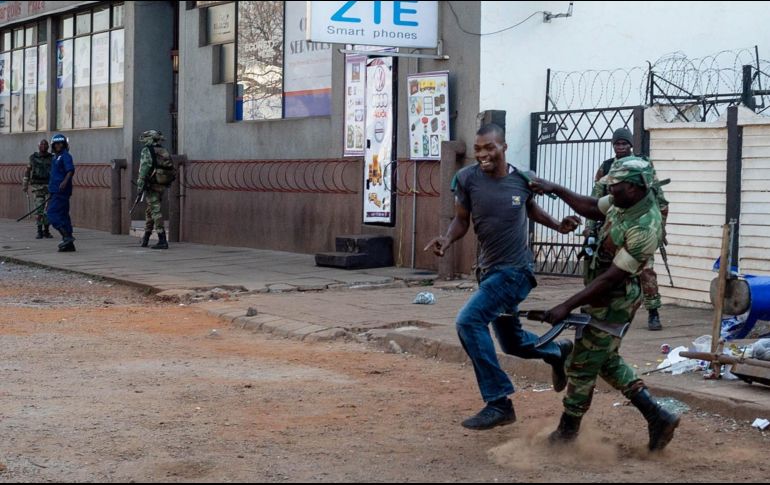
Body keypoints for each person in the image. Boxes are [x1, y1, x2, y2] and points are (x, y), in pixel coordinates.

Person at [424, 123, 581, 430]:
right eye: (478, 149)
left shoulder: (523, 179)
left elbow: (531, 209)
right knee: (512, 343)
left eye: (489, 147)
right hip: (488, 271)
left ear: (504, 147)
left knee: (469, 321)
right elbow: (461, 220)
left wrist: (558, 226)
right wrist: (447, 238)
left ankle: (499, 402)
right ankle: (557, 351)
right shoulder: (466, 179)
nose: (483, 154)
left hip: (516, 271)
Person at [530, 157, 680, 451]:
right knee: (606, 359)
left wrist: (565, 306)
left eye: (617, 186)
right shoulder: (623, 201)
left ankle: (566, 434)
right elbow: (591, 207)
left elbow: (610, 279)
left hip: (614, 300)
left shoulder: (644, 226)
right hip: (601, 294)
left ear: (636, 188)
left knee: (584, 364)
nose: (611, 191)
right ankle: (657, 415)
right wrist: (555, 189)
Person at [586, 127, 669, 331]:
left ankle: (653, 311)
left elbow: (658, 196)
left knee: (646, 271)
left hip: (639, 224)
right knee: (604, 270)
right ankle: (604, 312)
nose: (621, 147)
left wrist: (660, 227)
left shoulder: (642, 164)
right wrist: (590, 227)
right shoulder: (606, 167)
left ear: (630, 145)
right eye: (617, 144)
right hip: (613, 225)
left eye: (624, 143)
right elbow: (595, 197)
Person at [137, 130, 174, 250]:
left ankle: (162, 239)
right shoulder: (162, 150)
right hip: (162, 183)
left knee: (155, 211)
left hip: (152, 184)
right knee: (150, 210)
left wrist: (140, 185)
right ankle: (146, 237)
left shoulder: (147, 150)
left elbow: (144, 168)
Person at [46, 134, 76, 252]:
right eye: (56, 144)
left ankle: (67, 237)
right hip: (54, 191)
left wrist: (65, 181)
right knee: (63, 215)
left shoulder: (65, 156)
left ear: (64, 144)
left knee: (52, 214)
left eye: (61, 143)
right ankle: (69, 245)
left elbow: (70, 170)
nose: (58, 145)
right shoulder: (55, 157)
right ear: (53, 145)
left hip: (61, 191)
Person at [22, 139, 53, 239]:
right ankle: (39, 231)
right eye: (41, 144)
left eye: (45, 144)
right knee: (39, 210)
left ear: (48, 147)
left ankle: (46, 231)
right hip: (37, 187)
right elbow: (28, 171)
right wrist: (25, 184)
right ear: (38, 146)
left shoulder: (52, 158)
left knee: (48, 211)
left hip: (49, 187)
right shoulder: (33, 158)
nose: (43, 146)